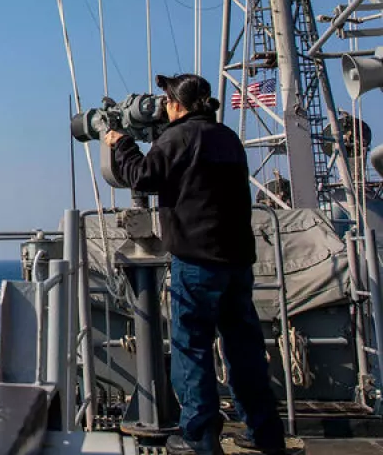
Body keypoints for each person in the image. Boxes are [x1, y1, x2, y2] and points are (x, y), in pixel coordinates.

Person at [104, 73, 286, 455]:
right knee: (245, 352)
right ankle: (265, 434)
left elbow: (143, 176)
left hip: (197, 262)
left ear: (176, 104)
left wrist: (122, 144)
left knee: (192, 352)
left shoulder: (179, 138)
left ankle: (200, 438)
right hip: (237, 262)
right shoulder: (227, 138)